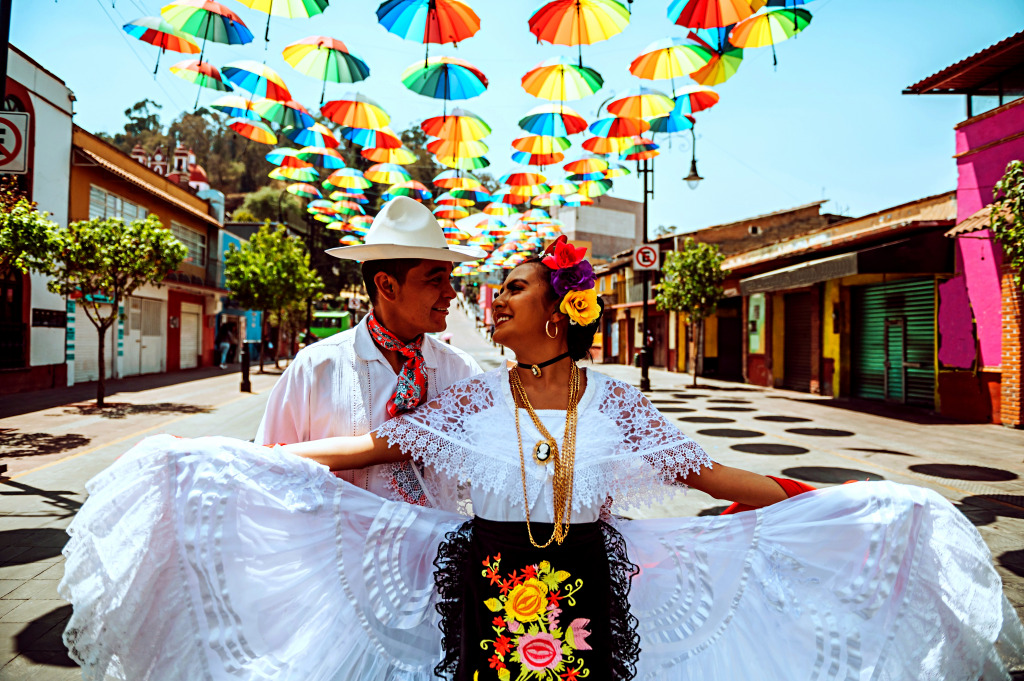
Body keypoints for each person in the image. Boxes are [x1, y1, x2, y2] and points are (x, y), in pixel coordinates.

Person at [58, 239, 1024, 680]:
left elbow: (715, 477)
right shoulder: (471, 393)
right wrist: (218, 460)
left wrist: (848, 498)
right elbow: (365, 446)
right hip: (483, 584)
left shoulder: (616, 399)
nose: (490, 301)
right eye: (485, 289)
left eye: (509, 288)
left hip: (592, 586)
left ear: (559, 306)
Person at [254, 196, 486, 504]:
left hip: (435, 551)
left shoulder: (462, 372)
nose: (451, 293)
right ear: (387, 286)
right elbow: (267, 469)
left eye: (450, 278)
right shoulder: (317, 367)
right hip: (339, 551)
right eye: (436, 280)